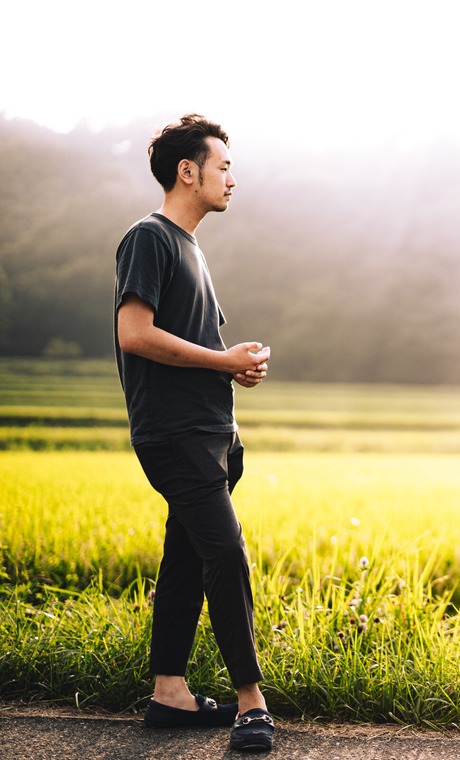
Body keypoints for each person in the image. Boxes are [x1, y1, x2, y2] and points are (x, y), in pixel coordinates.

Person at [114, 114, 275, 752]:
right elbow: (136, 334)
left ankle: (169, 695)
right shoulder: (148, 238)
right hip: (175, 436)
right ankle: (250, 703)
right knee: (225, 554)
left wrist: (235, 368)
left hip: (206, 434)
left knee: (184, 558)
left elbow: (192, 345)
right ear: (190, 171)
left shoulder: (190, 246)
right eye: (224, 166)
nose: (232, 178)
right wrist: (223, 361)